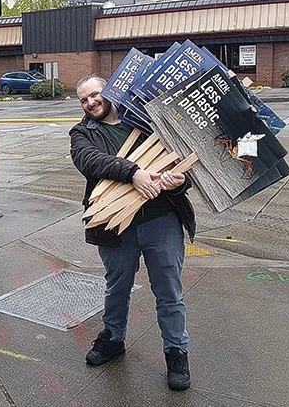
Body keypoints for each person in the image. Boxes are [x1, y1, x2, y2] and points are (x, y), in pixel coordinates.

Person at [69, 76, 196, 390]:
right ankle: (113, 338)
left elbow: (183, 166)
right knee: (117, 287)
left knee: (169, 290)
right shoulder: (84, 133)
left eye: (95, 95)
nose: (90, 103)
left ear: (109, 91)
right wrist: (133, 172)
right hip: (115, 225)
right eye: (83, 100)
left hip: (162, 220)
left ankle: (176, 352)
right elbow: (87, 160)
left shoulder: (146, 120)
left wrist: (180, 182)